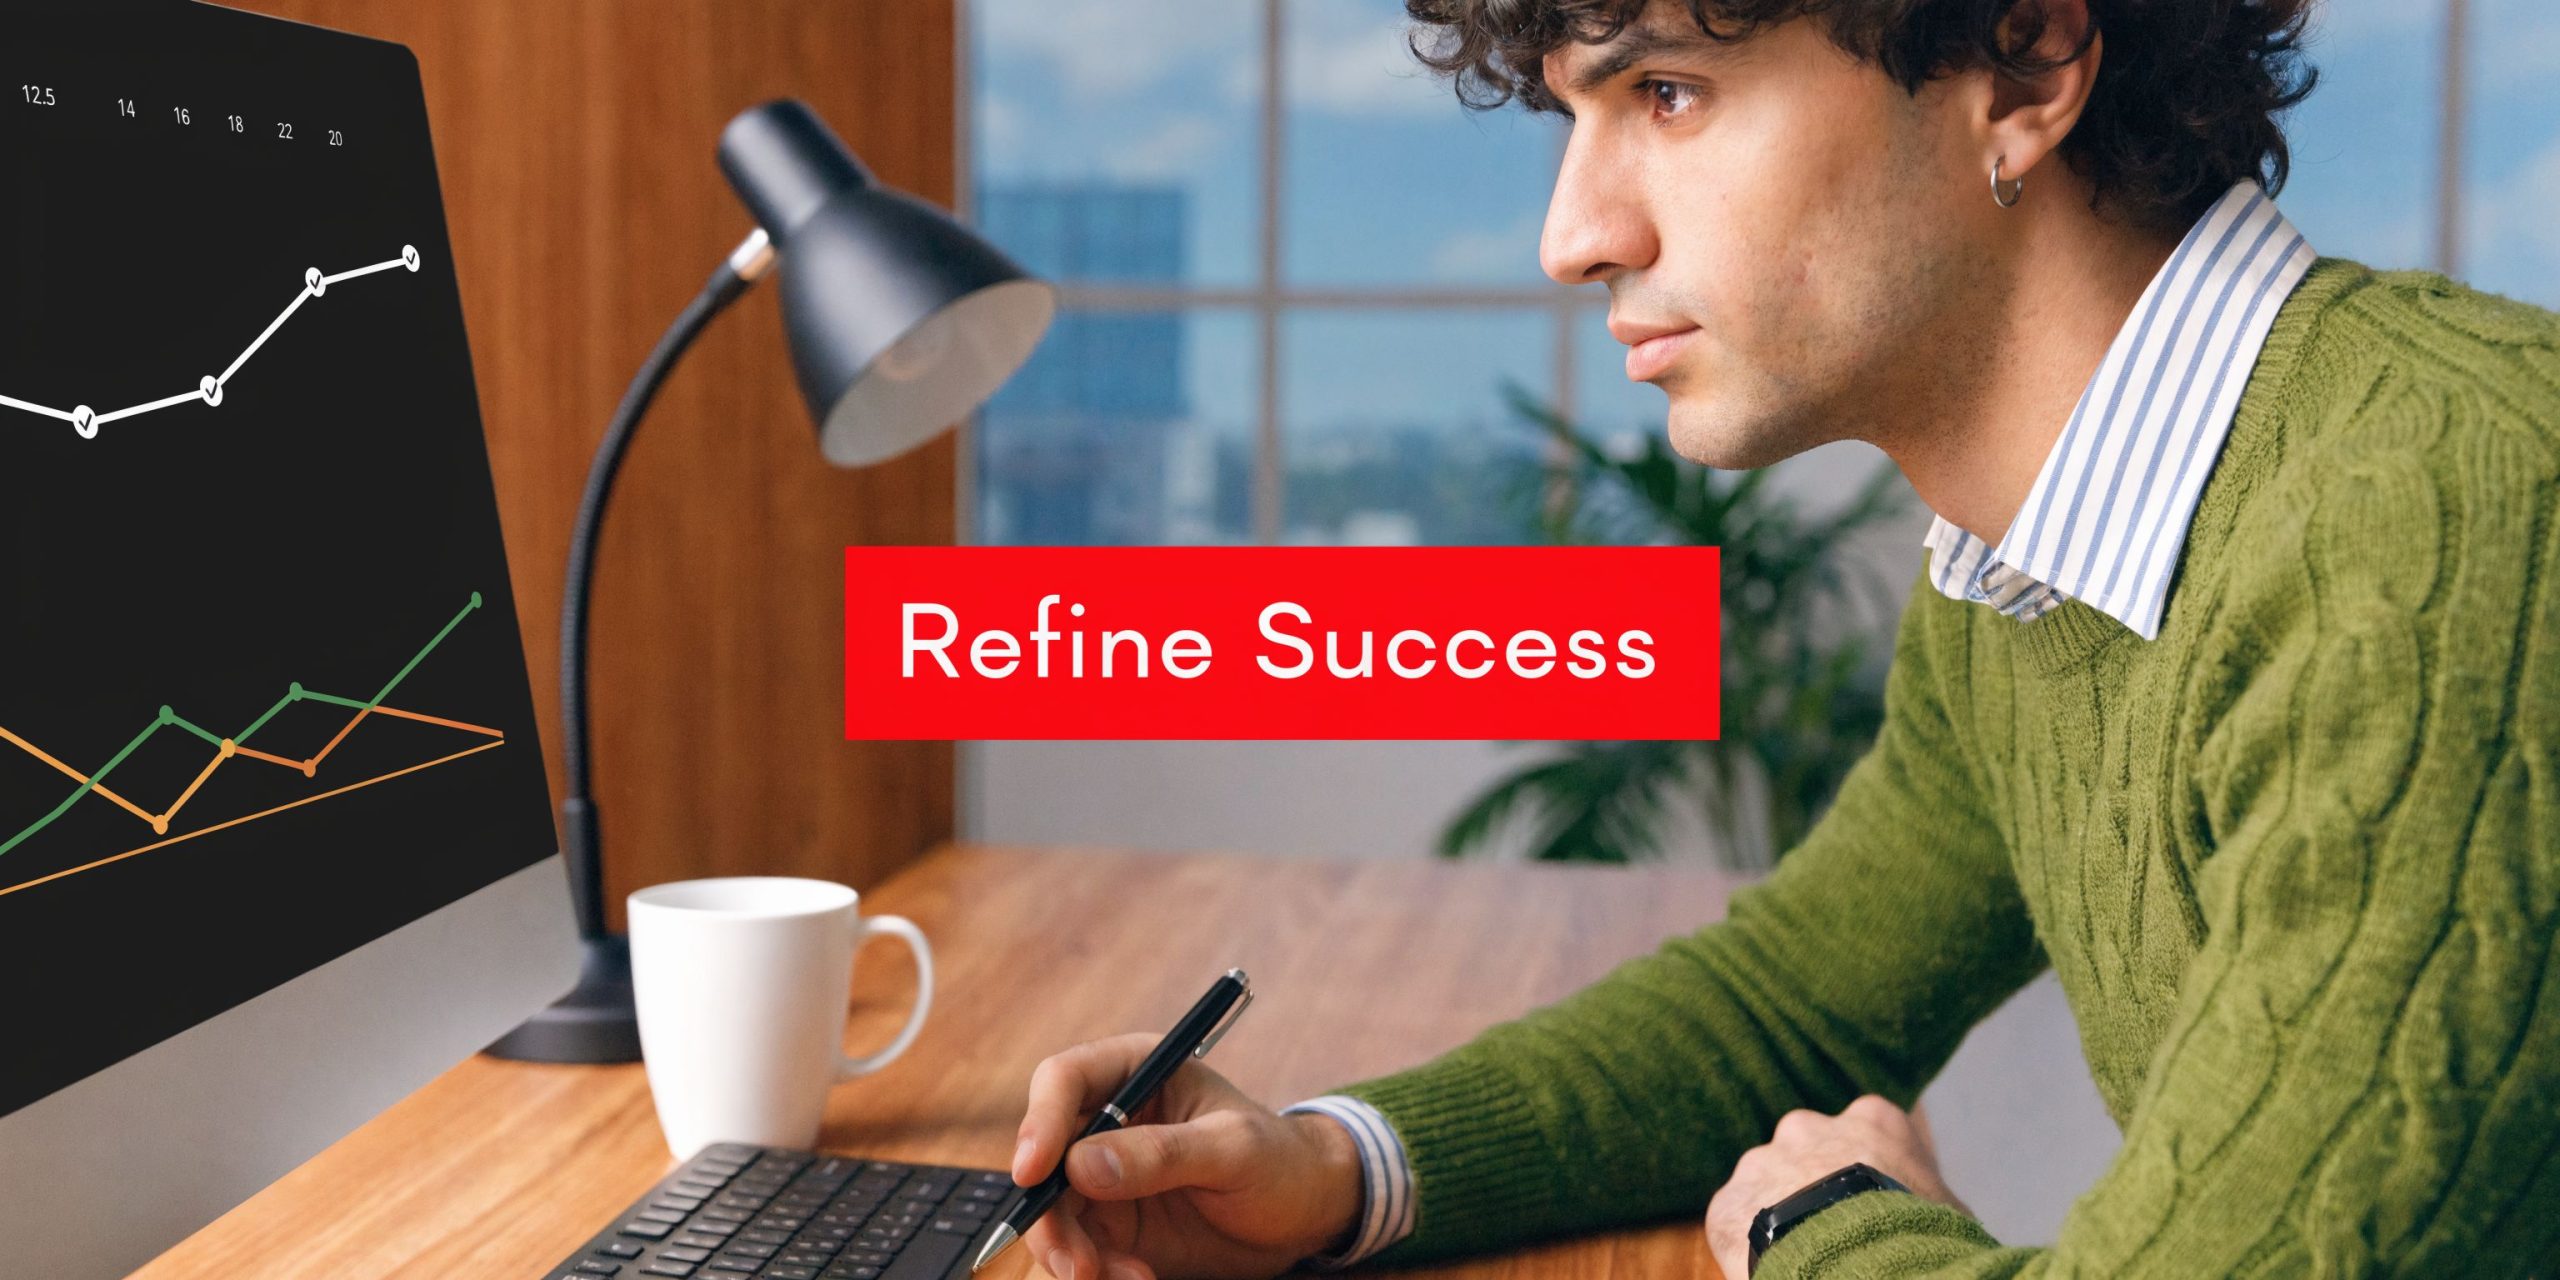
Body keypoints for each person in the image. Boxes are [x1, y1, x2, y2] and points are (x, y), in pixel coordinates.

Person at [1008, 0, 2560, 1275]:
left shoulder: (2454, 523)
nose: (1573, 236)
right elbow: (1803, 1004)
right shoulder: (2030, 561)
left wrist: (1826, 1234)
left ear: (2023, 65)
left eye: (1669, 94)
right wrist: (1337, 1166)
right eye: (1573, 116)